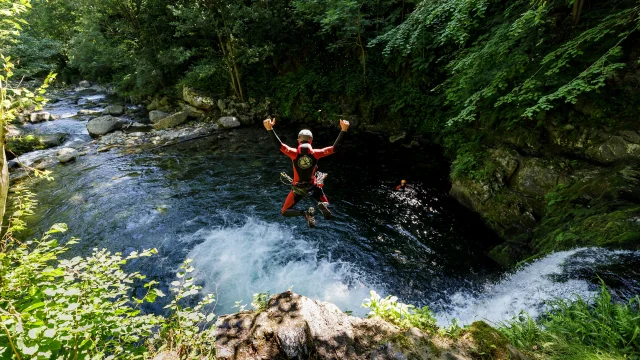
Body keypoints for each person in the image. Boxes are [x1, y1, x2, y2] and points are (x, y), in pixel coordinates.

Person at [264, 117, 349, 228]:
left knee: (285, 211)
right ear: (311, 140)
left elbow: (279, 145)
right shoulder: (316, 153)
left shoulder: (293, 153)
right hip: (313, 186)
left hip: (298, 189)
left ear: (299, 140)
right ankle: (322, 205)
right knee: (328, 209)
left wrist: (270, 129)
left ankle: (304, 213)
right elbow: (334, 148)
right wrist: (343, 130)